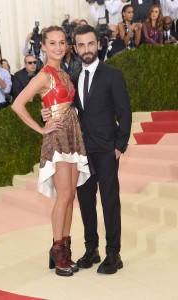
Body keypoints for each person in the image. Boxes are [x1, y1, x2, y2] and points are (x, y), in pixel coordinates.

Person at [11, 26, 90, 277]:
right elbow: (17, 104)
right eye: (52, 43)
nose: (58, 47)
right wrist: (41, 127)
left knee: (69, 197)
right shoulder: (44, 75)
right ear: (43, 46)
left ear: (66, 45)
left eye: (62, 42)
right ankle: (59, 252)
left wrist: (50, 112)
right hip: (57, 139)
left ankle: (64, 249)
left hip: (73, 137)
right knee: (64, 195)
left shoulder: (64, 73)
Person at [72, 25, 132, 274]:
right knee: (85, 201)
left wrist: (119, 146)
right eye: (81, 45)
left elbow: (124, 113)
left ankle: (113, 253)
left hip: (107, 149)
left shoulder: (112, 75)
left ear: (98, 44)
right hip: (82, 150)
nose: (87, 49)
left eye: (90, 44)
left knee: (109, 201)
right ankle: (92, 249)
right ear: (75, 48)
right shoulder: (73, 77)